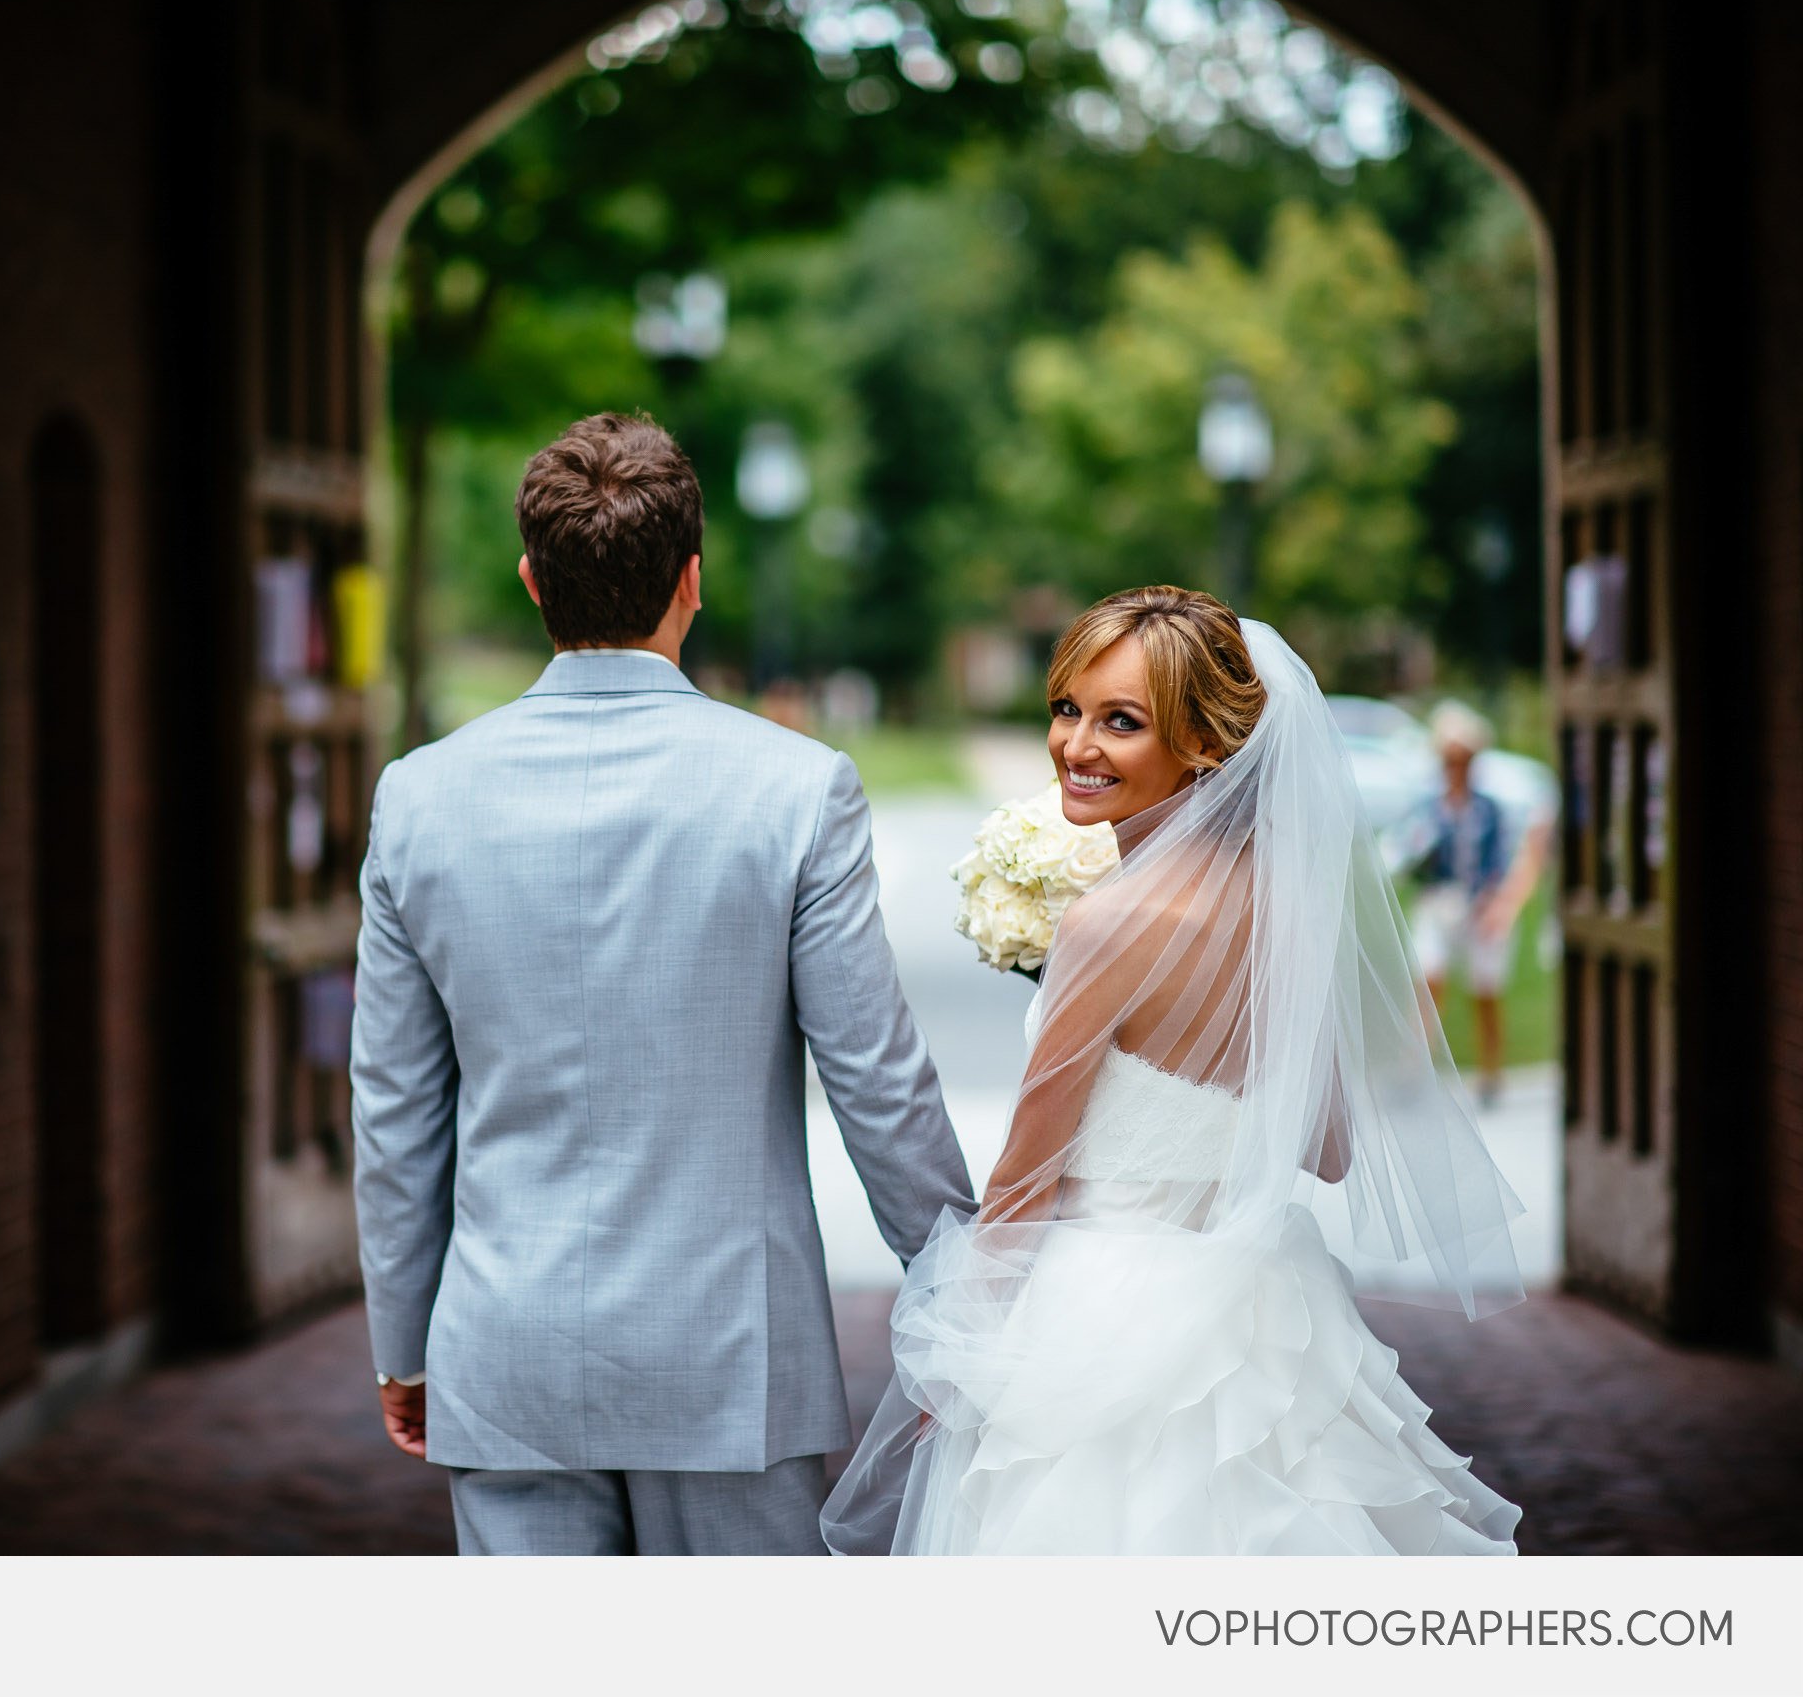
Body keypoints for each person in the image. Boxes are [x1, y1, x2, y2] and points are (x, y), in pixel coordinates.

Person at [350, 411, 972, 1556]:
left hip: (506, 1351)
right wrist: (970, 1290)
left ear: (533, 582)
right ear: (693, 581)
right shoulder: (796, 788)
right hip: (733, 1356)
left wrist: (406, 1340)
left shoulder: (418, 798)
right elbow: (878, 1081)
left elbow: (395, 1109)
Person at [823, 585, 1525, 1555]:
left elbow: (1025, 1185)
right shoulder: (1288, 909)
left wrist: (964, 1368)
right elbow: (1325, 1149)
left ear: (1201, 743)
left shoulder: (1108, 925)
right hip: (1259, 1308)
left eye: (1122, 722)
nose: (1076, 745)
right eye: (1067, 708)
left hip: (1097, 1314)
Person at [1395, 701, 1529, 1102]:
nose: (1456, 767)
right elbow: (1408, 856)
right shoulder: (1428, 809)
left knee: (1486, 990)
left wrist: (1493, 903)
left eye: (1462, 760)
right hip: (1440, 902)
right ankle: (1414, 1070)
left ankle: (1491, 1071)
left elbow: (1501, 861)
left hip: (1477, 905)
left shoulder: (1489, 810)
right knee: (1428, 982)